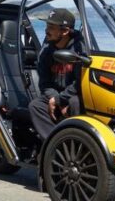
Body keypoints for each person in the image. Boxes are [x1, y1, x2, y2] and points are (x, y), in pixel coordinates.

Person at [28, 8, 84, 140]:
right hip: (55, 94)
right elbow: (45, 82)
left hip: (75, 93)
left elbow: (80, 81)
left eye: (51, 27)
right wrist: (55, 98)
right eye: (47, 26)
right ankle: (55, 144)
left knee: (75, 102)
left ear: (64, 31)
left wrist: (61, 99)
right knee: (35, 106)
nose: (46, 31)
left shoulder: (80, 48)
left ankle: (78, 142)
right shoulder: (46, 49)